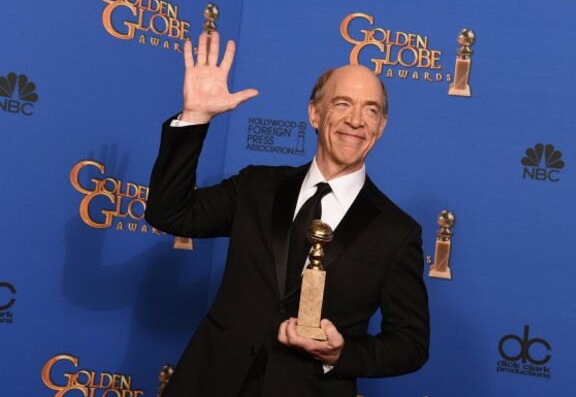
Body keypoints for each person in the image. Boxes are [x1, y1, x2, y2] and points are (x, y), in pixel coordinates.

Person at [145, 32, 429, 397]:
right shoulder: (257, 187)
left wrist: (342, 353)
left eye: (371, 109)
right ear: (314, 112)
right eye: (342, 104)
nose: (356, 120)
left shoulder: (397, 232)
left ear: (381, 126)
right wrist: (195, 117)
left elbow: (411, 344)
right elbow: (170, 213)